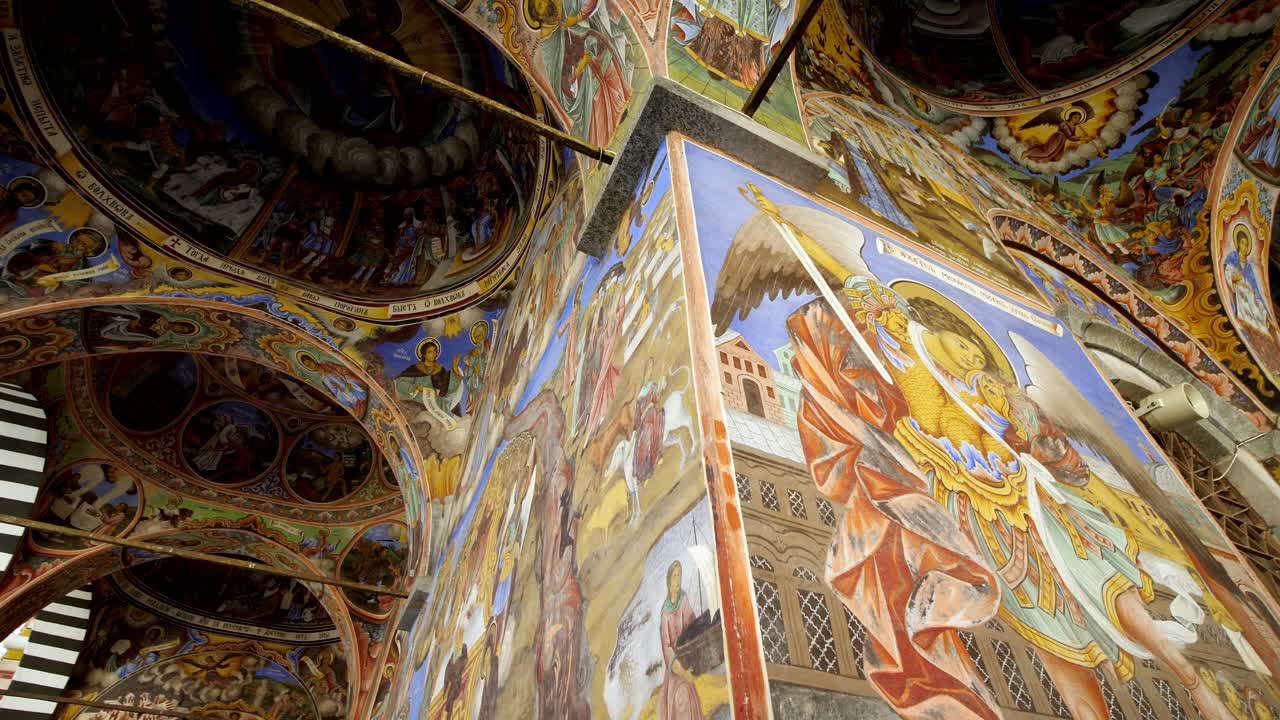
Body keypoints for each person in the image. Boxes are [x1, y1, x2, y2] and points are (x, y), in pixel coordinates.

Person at [784, 276, 1235, 720]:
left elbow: (1047, 444)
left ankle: (1193, 683)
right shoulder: (889, 374)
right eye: (963, 345)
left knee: (1102, 585)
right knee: (1050, 635)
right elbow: (847, 378)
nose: (970, 353)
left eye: (974, 349)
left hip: (1030, 501)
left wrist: (1048, 450)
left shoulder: (986, 390)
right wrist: (837, 320)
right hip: (970, 513)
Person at [657, 561, 703, 720]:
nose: (678, 580)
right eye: (675, 576)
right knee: (680, 701)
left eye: (680, 575)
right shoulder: (665, 614)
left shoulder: (683, 599)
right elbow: (667, 649)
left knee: (690, 704)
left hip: (687, 659)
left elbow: (692, 624)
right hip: (676, 670)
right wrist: (683, 672)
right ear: (669, 580)